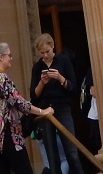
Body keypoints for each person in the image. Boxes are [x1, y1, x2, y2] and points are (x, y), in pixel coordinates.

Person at [0, 42, 53, 174]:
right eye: (9, 55)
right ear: (1, 57)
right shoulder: (1, 78)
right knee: (24, 170)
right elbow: (19, 102)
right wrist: (43, 111)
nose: (11, 58)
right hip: (8, 133)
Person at [29, 33, 83, 174]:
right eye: (42, 53)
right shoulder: (37, 67)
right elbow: (34, 96)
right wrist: (42, 82)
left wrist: (60, 78)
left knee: (71, 152)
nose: (45, 56)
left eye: (47, 52)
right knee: (52, 156)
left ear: (52, 46)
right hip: (45, 111)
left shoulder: (63, 60)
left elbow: (73, 87)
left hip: (62, 107)